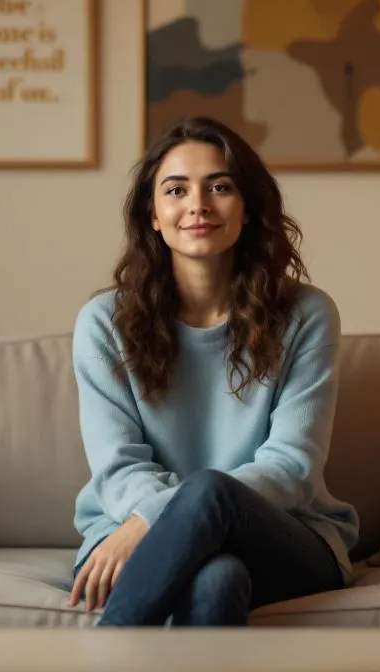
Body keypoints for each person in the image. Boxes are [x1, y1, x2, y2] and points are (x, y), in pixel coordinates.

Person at [67, 115, 360, 627]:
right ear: (153, 215)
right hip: (128, 530)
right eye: (176, 189)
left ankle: (104, 652)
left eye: (220, 187)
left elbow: (291, 467)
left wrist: (155, 518)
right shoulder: (103, 323)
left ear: (247, 208)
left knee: (212, 490)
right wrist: (160, 519)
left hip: (281, 537)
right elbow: (116, 466)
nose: (198, 205)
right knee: (215, 579)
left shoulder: (307, 315)